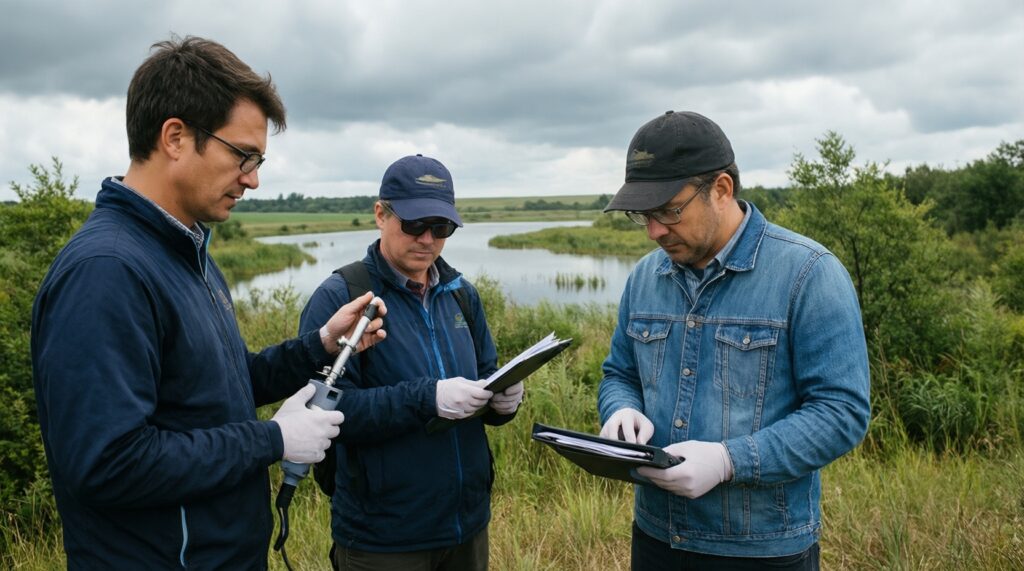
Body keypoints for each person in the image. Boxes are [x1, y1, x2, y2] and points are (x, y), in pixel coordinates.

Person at [30, 36, 386, 570]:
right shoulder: (106, 272)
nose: (254, 179)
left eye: (259, 160)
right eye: (243, 155)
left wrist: (318, 345)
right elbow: (108, 463)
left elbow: (218, 390)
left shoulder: (186, 249)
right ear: (175, 136)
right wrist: (273, 439)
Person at [597, 110, 870, 570]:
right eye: (642, 215)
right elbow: (619, 373)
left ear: (721, 190)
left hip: (761, 551)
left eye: (669, 210)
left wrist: (729, 461)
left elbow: (841, 414)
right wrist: (621, 409)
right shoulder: (645, 277)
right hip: (656, 537)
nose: (654, 231)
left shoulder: (808, 274)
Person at [299, 154, 523, 571]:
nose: (427, 239)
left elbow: (486, 378)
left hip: (467, 526)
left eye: (441, 228)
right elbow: (323, 412)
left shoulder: (461, 294)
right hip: (384, 539)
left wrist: (504, 401)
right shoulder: (342, 298)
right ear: (381, 214)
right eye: (415, 224)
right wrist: (427, 398)